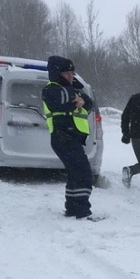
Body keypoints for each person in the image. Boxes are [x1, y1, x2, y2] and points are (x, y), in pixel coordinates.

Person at [42, 55, 96, 219]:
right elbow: (64, 97)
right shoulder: (51, 89)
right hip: (62, 137)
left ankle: (73, 208)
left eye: (72, 73)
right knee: (83, 173)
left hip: (71, 137)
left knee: (75, 174)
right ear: (57, 74)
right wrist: (76, 96)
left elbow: (89, 103)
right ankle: (82, 211)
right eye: (67, 74)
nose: (71, 77)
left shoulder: (68, 88)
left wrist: (80, 98)